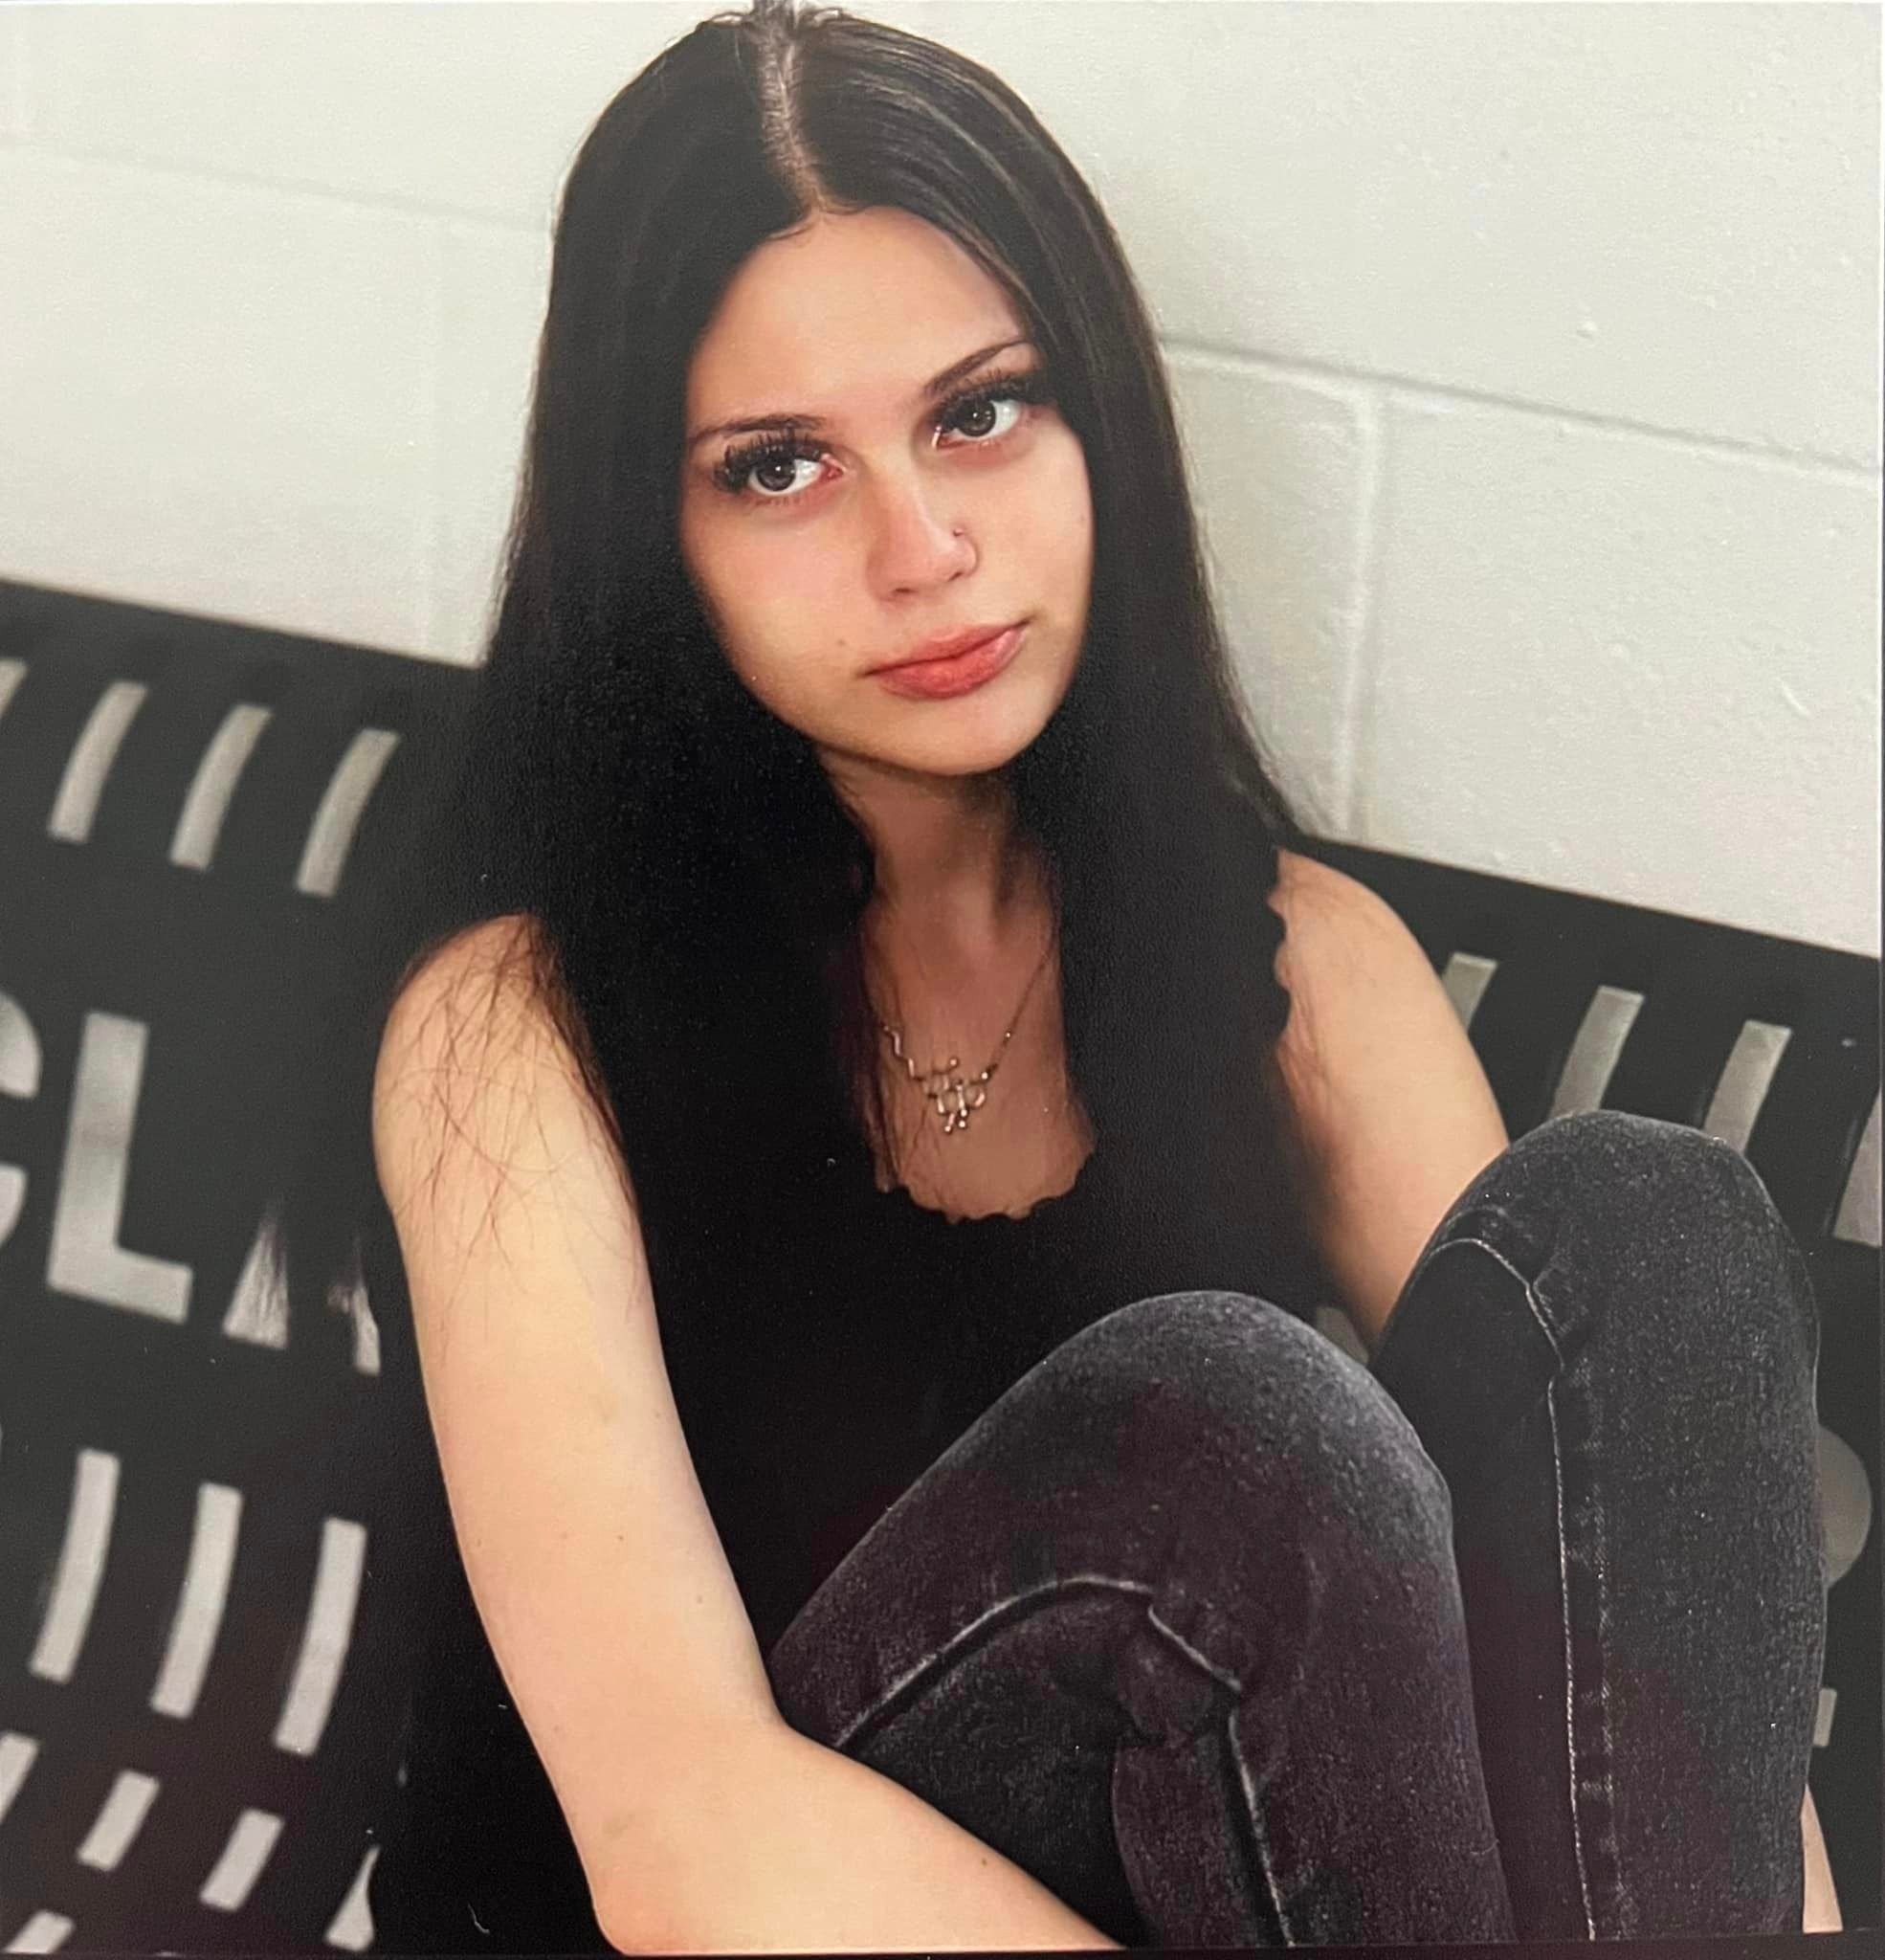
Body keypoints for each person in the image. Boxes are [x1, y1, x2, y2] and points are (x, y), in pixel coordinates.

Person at [274, 0, 1838, 1949]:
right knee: (1223, 1445)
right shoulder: (519, 1031)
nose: (923, 547)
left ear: (1099, 420)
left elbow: (1632, 1659)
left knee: (1643, 1225)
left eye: (978, 412)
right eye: (778, 466)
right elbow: (676, 1830)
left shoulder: (1307, 976)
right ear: (648, 534)